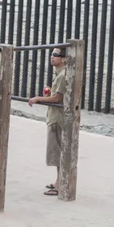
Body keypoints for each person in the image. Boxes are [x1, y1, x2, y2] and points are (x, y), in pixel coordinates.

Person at [28, 47, 67, 196]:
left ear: (64, 59)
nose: (52, 57)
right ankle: (59, 181)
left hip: (57, 118)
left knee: (57, 152)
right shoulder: (60, 74)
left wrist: (38, 98)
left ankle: (60, 184)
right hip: (55, 116)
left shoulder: (62, 75)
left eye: (56, 55)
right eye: (51, 54)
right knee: (57, 151)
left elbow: (57, 98)